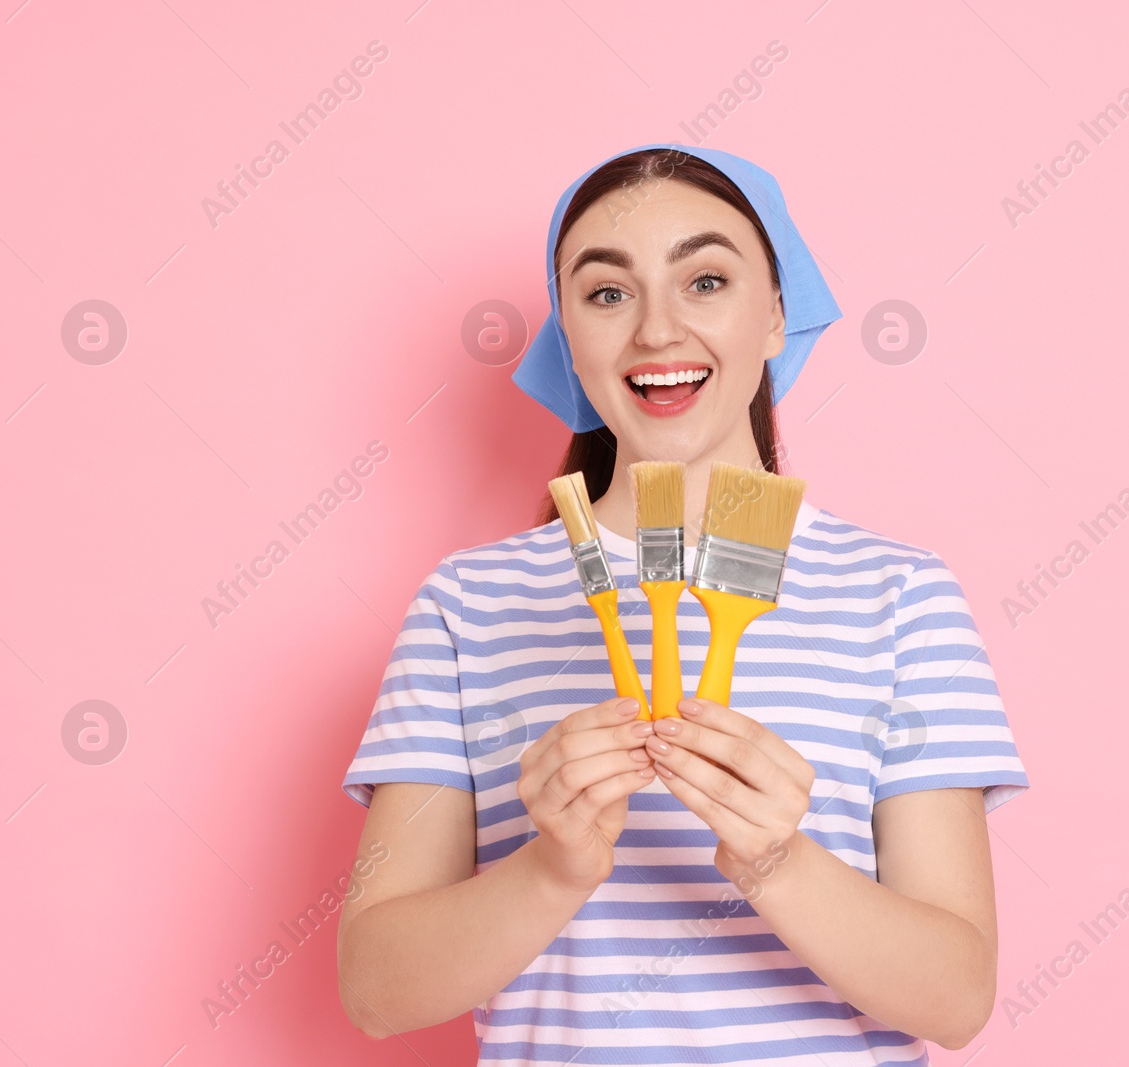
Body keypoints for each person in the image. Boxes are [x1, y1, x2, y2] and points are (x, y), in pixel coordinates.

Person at [335, 143, 1030, 1064]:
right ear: (568, 342)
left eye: (705, 281)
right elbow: (377, 990)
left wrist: (780, 861)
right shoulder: (470, 604)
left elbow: (957, 996)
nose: (658, 331)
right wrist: (551, 868)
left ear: (780, 313)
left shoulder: (899, 595)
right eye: (608, 293)